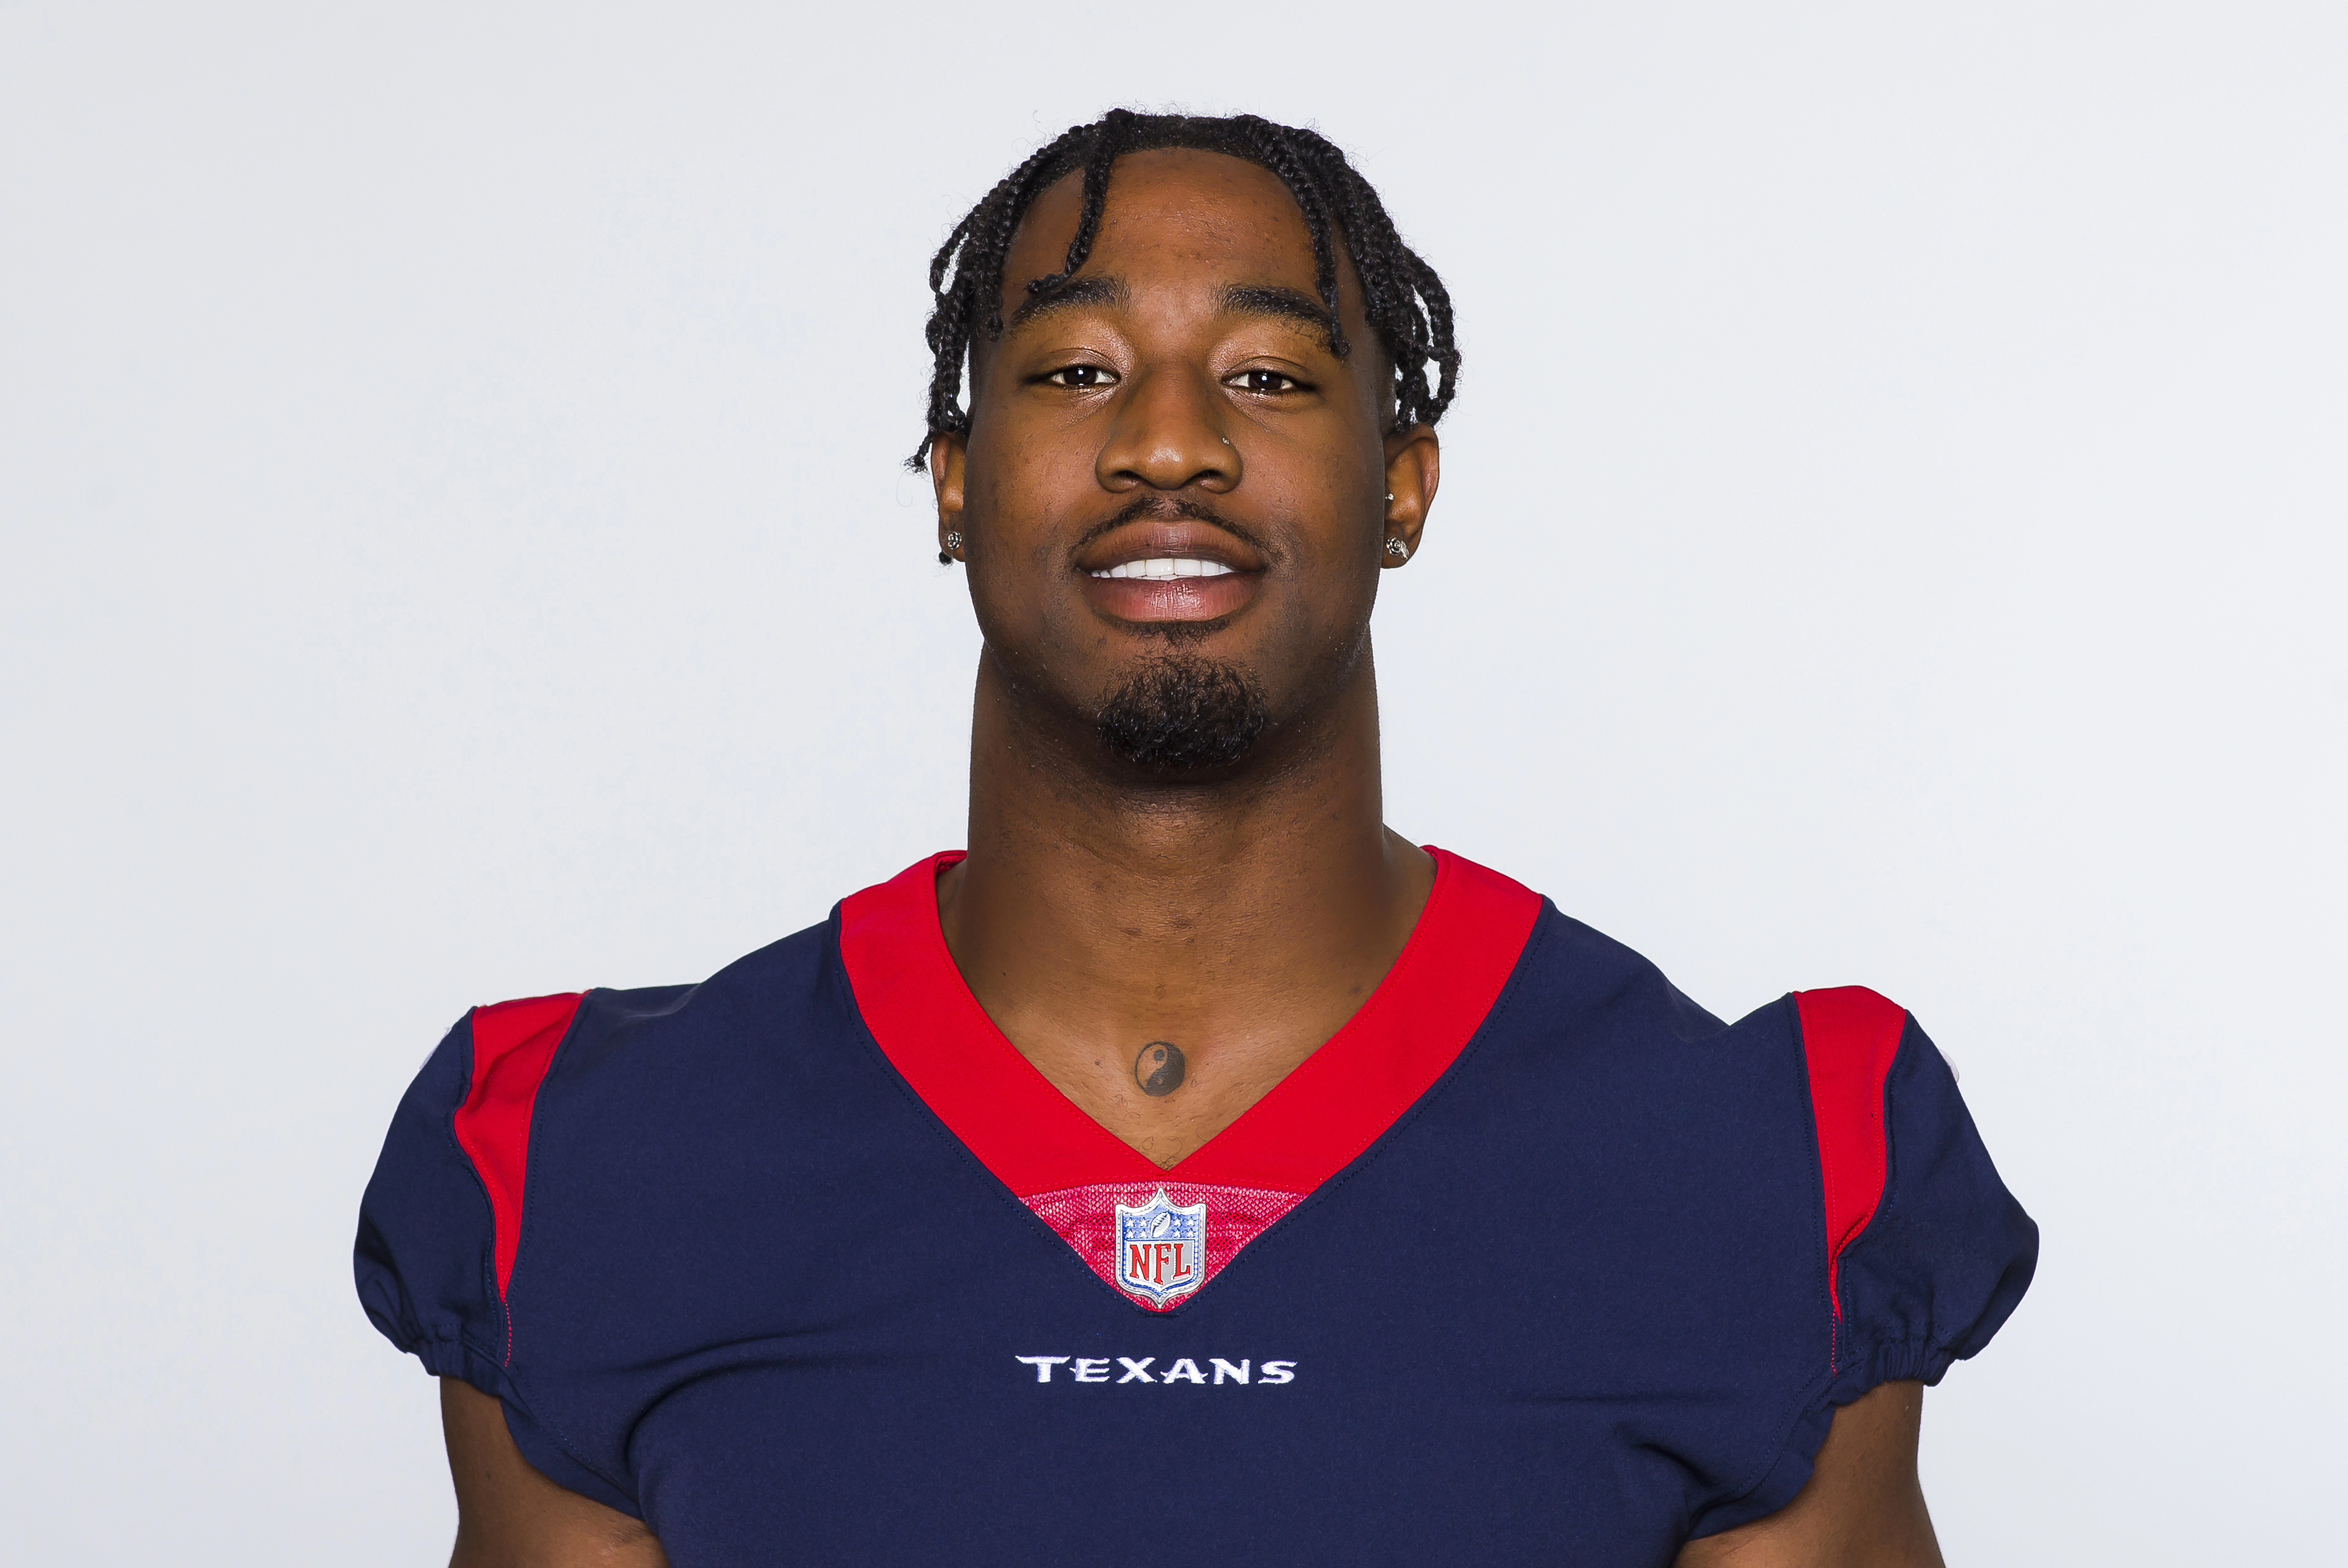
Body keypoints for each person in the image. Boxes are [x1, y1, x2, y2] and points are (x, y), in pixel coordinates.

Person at [358, 110, 2035, 1567]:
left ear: (1404, 484)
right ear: (955, 482)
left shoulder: (1751, 1172)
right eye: (1078, 372)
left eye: (1271, 374)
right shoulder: (590, 1163)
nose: (1171, 444)